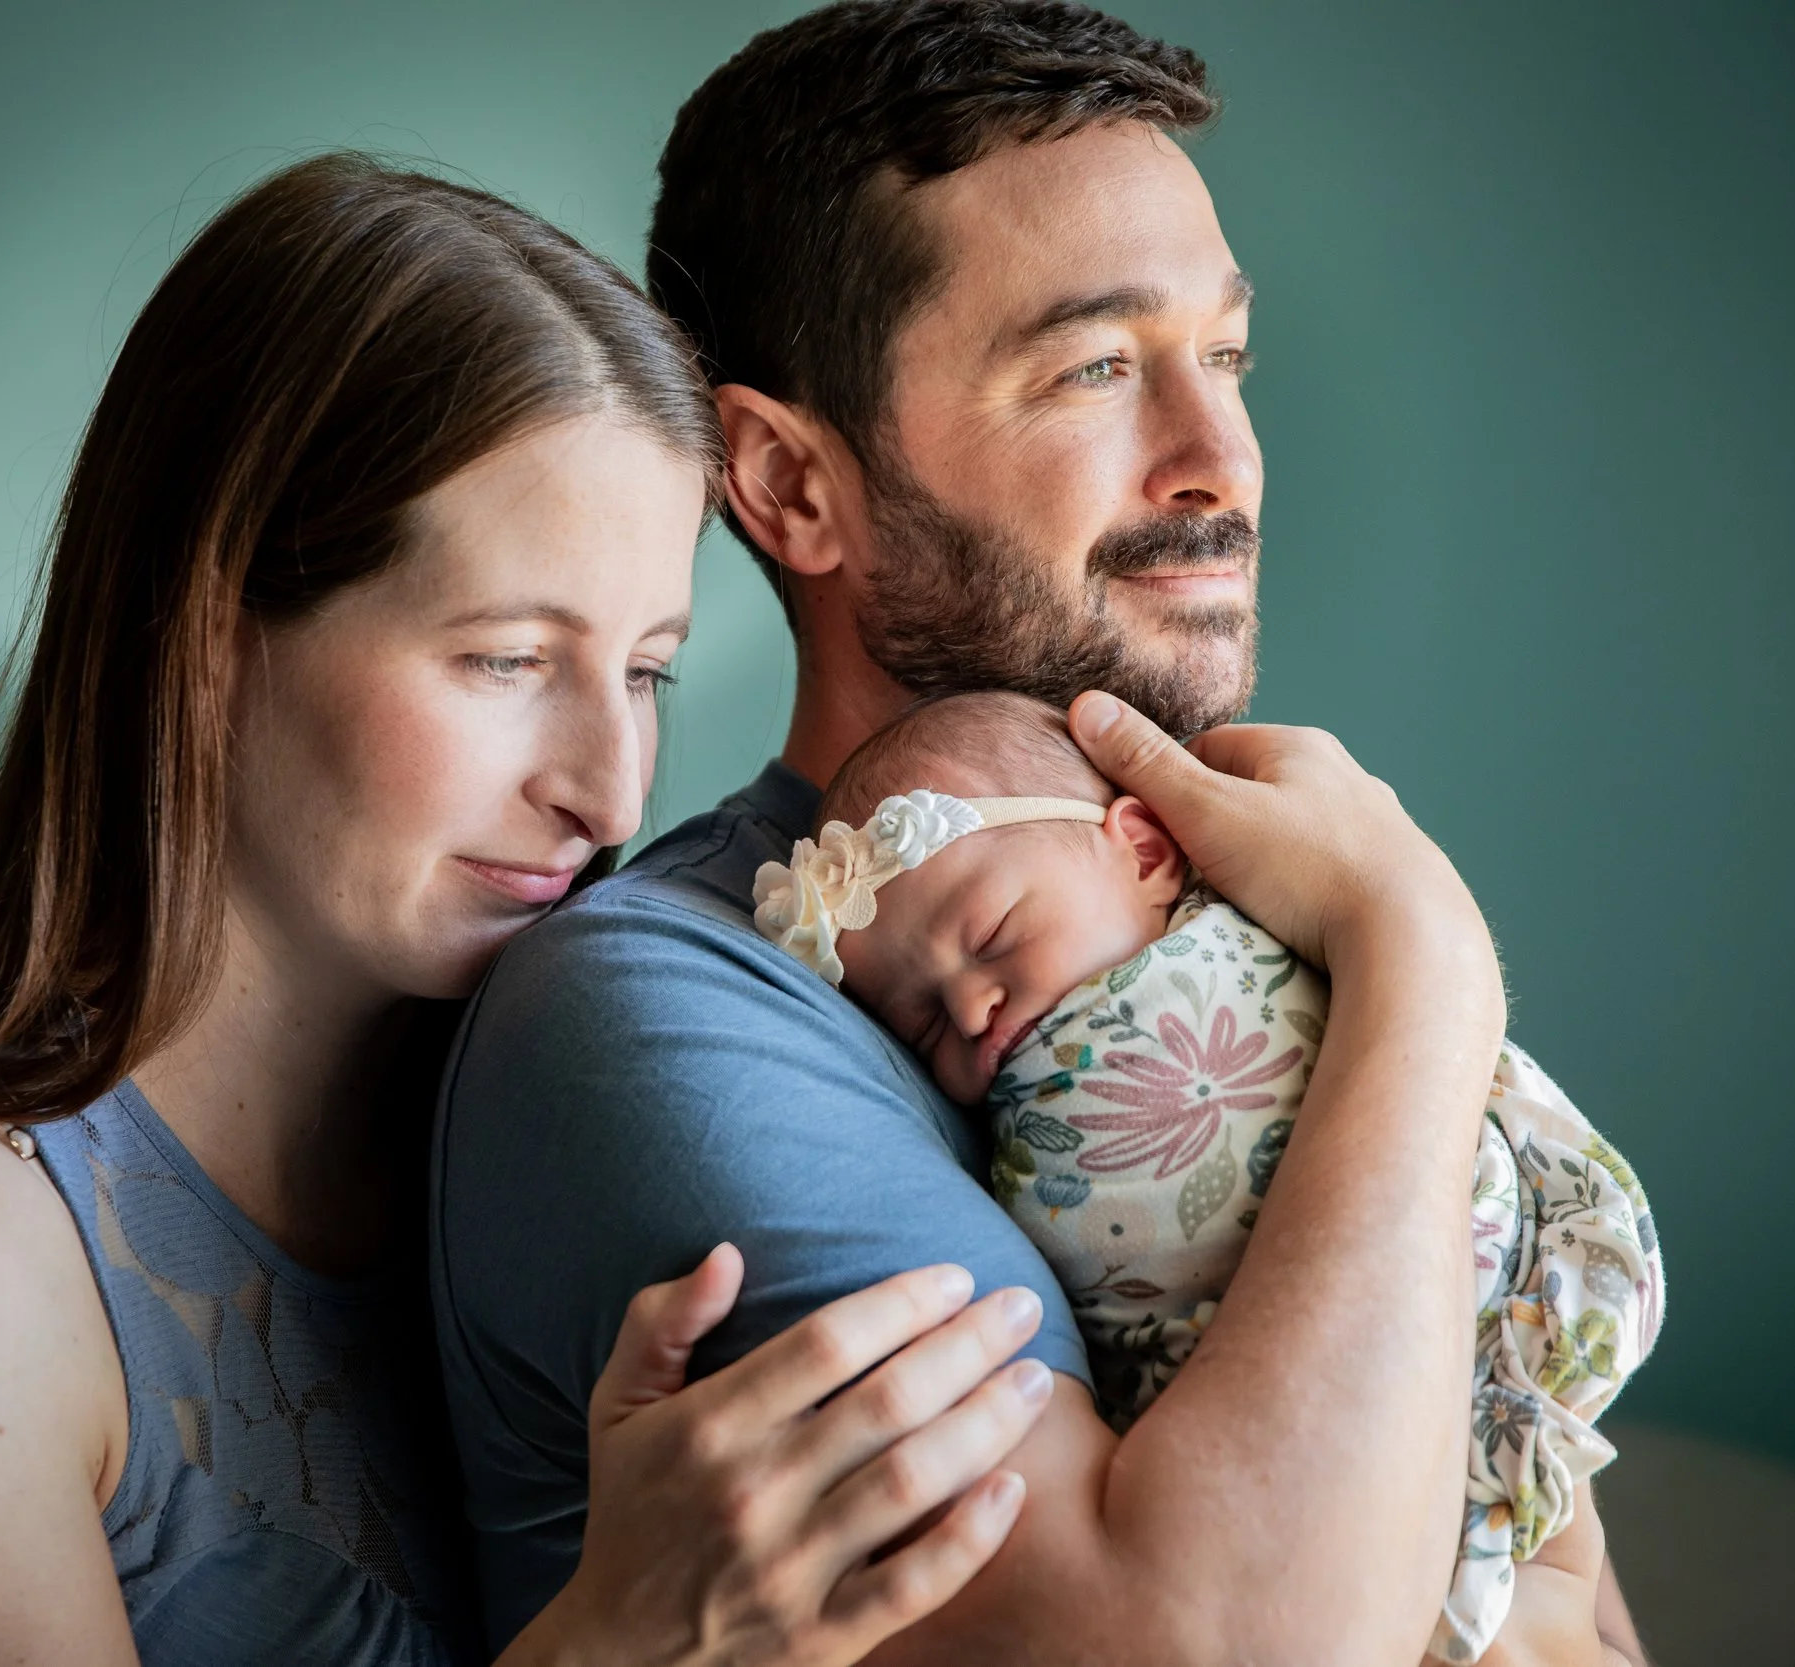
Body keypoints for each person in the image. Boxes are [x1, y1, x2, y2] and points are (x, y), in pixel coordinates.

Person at [0, 154, 1055, 1667]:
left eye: (645, 672)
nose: (610, 794)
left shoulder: (555, 1157)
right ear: (209, 626)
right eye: (506, 658)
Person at [430, 5, 1651, 1664]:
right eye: (1093, 365)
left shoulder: (1241, 909)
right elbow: (1202, 1649)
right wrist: (1422, 958)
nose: (1220, 463)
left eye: (1224, 356)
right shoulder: (661, 1011)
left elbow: (1568, 1610)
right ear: (790, 484)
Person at [768, 690, 1667, 1663]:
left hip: (1461, 1289)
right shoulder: (748, 1024)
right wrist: (1413, 930)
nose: (974, 1006)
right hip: (1269, 1424)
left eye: (993, 936)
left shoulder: (1252, 922)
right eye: (923, 1023)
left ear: (1148, 852)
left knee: (1552, 1556)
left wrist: (1397, 929)